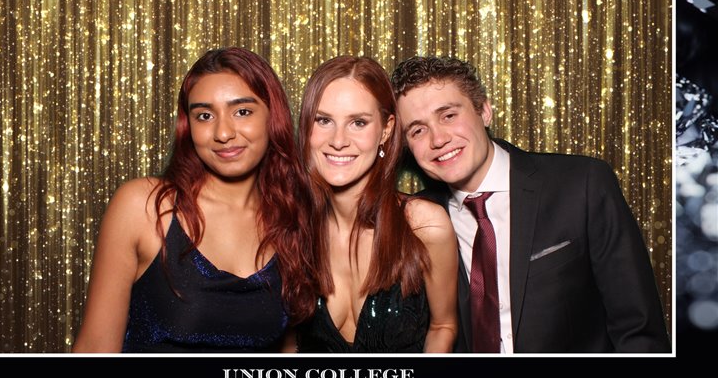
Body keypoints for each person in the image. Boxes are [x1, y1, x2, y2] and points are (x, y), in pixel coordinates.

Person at [391, 55, 672, 353]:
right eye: (418, 130)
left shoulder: (582, 184)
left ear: (484, 111)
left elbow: (638, 329)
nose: (438, 139)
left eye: (448, 115)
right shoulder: (415, 220)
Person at [73, 47, 314, 353]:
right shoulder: (144, 207)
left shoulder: (293, 218)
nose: (223, 133)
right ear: (189, 127)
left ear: (273, 117)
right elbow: (94, 349)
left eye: (242, 112)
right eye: (204, 116)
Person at [292, 56, 458, 353]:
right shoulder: (291, 226)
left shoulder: (424, 225)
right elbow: (288, 344)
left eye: (358, 123)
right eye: (323, 120)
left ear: (386, 130)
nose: (338, 140)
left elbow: (443, 326)